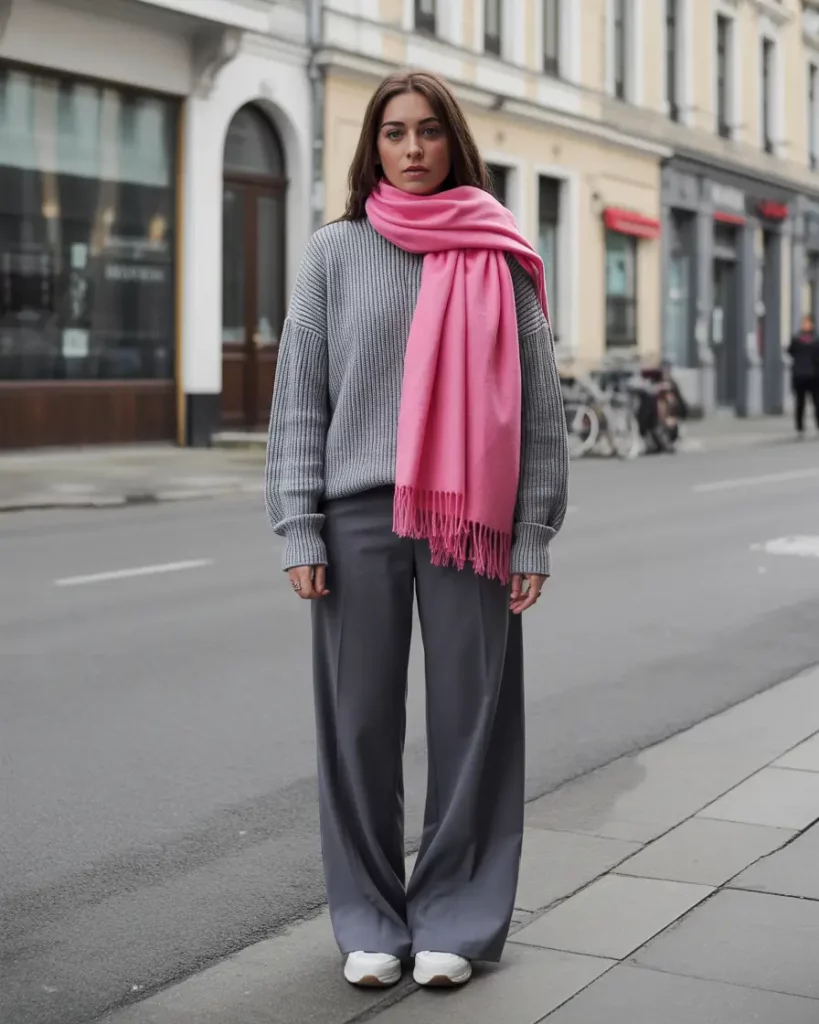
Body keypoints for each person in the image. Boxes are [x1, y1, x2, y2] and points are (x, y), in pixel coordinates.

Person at [264, 70, 569, 990]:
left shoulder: (498, 253)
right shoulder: (332, 252)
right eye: (394, 132)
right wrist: (299, 526)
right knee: (356, 727)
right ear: (374, 145)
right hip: (358, 513)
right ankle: (368, 919)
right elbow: (297, 400)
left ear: (452, 141)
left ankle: (457, 917)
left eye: (428, 131)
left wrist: (532, 532)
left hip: (468, 520)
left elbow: (538, 408)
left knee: (471, 723)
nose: (410, 148)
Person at [788, 315, 819, 436]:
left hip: (814, 376)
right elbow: (790, 352)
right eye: (804, 322)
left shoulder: (816, 339)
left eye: (808, 323)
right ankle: (800, 427)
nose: (805, 325)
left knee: (817, 402)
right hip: (799, 375)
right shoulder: (796, 339)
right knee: (800, 402)